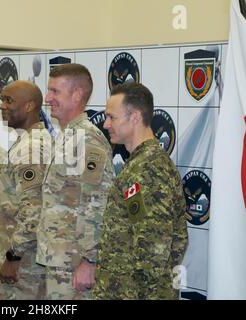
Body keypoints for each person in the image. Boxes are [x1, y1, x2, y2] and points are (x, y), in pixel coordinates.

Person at [93, 82, 188, 300]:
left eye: (112, 117)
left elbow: (152, 252)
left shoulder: (148, 169)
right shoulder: (140, 164)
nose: (106, 124)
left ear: (135, 117)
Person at [38, 63, 114, 299]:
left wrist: (90, 260)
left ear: (77, 94)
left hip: (74, 263)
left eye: (55, 92)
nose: (47, 98)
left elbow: (98, 202)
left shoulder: (87, 139)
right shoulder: (66, 136)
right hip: (58, 259)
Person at [0, 80, 49, 299]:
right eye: (2, 99)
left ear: (30, 106)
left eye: (9, 100)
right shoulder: (26, 142)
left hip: (25, 264)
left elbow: (32, 209)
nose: (2, 106)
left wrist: (13, 257)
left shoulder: (31, 148)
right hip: (20, 258)